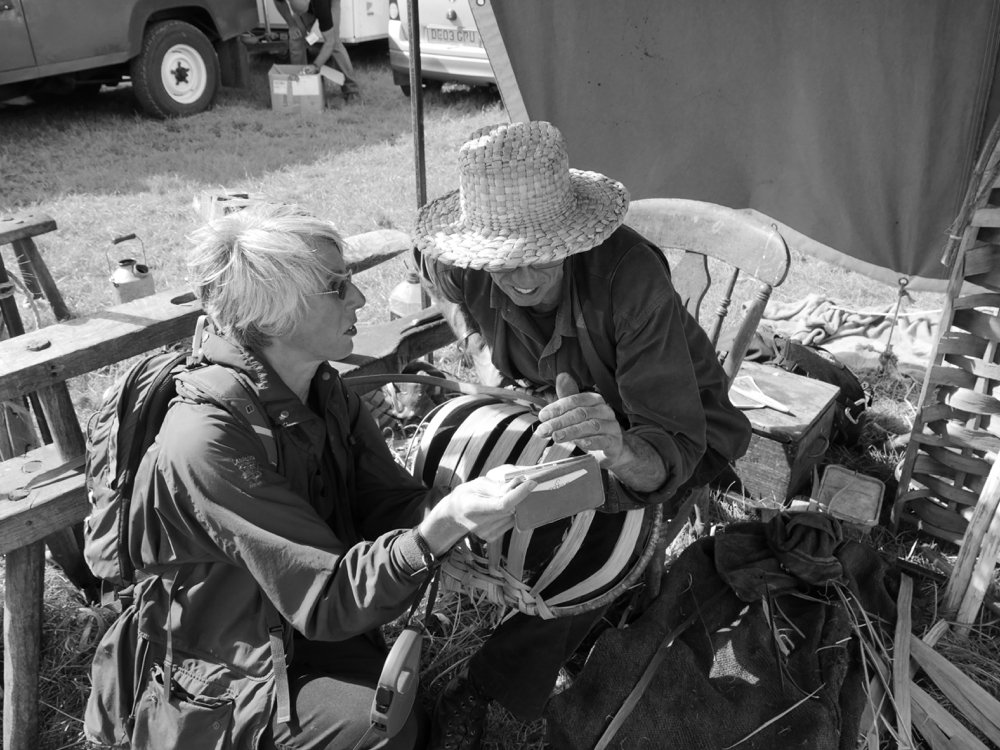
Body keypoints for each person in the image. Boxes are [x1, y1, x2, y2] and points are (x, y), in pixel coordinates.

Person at [84, 203, 537, 750]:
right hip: (228, 672)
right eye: (337, 286)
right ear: (275, 310)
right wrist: (433, 534)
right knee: (375, 728)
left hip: (299, 627)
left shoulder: (322, 390)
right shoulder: (206, 440)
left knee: (402, 716)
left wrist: (462, 525)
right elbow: (326, 598)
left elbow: (385, 501)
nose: (360, 299)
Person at [413, 120, 753, 749]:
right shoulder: (463, 262)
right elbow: (435, 277)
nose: (516, 279)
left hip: (671, 428)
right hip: (556, 409)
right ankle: (524, 599)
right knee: (471, 474)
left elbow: (669, 452)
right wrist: (479, 347)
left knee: (600, 534)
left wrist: (617, 448)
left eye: (536, 255)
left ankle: (493, 687)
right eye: (501, 260)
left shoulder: (630, 280)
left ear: (573, 238)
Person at [273, 0, 361, 98]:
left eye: (302, 12)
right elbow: (279, 2)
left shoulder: (321, 5)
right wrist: (292, 25)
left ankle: (352, 90)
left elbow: (329, 42)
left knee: (335, 42)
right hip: (309, 5)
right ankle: (301, 83)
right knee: (296, 36)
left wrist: (316, 66)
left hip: (330, 2)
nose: (302, 15)